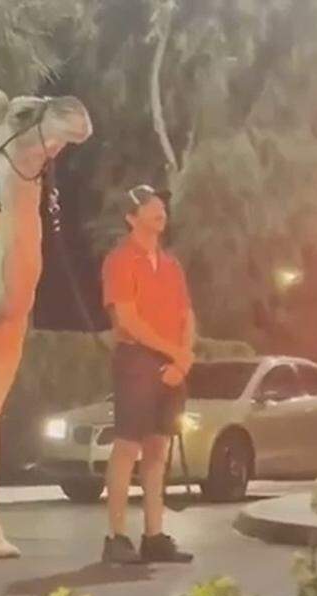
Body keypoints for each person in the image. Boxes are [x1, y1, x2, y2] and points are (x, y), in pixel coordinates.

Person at [100, 184, 195, 565]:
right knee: (127, 447)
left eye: (160, 204)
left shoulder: (171, 265)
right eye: (148, 206)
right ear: (131, 218)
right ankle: (116, 536)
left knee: (159, 448)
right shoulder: (120, 261)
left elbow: (187, 315)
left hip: (171, 364)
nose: (159, 210)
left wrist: (183, 359)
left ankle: (154, 535)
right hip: (136, 360)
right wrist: (174, 352)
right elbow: (127, 318)